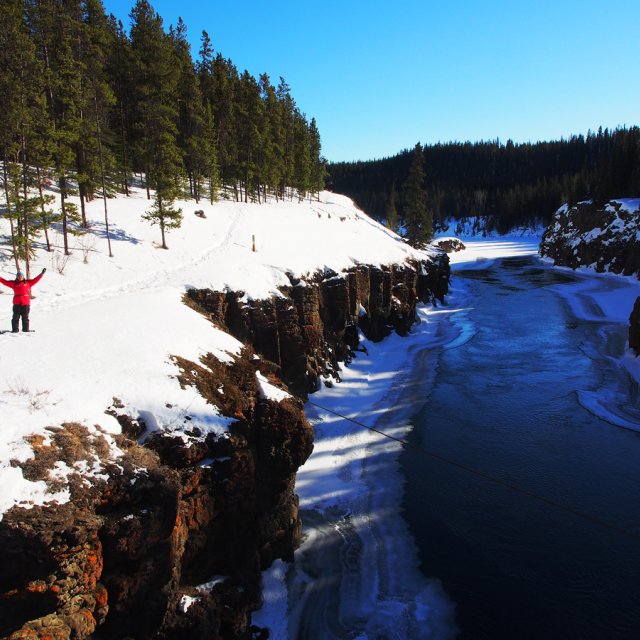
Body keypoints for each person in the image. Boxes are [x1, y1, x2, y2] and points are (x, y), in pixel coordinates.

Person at [0, 268, 46, 333]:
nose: (20, 277)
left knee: (25, 317)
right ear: (17, 277)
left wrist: (41, 274)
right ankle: (15, 330)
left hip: (26, 303)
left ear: (23, 276)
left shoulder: (28, 283)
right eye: (18, 276)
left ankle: (25, 330)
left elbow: (35, 280)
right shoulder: (13, 283)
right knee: (15, 317)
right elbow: (4, 282)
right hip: (17, 303)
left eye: (21, 276)